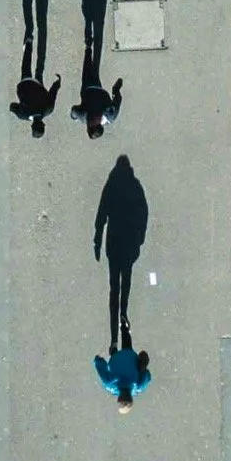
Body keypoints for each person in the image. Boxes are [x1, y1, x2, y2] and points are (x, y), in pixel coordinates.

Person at [94, 155, 149, 353]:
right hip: (129, 242)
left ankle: (114, 334)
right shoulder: (135, 186)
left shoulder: (112, 185)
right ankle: (123, 313)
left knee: (113, 285)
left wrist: (97, 240)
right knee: (126, 278)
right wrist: (140, 238)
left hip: (114, 241)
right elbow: (143, 213)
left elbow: (102, 213)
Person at [70, 46, 124, 137]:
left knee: (88, 64)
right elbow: (118, 100)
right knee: (91, 67)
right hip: (93, 90)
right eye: (90, 125)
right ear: (97, 124)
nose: (88, 123)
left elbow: (74, 110)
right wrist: (116, 90)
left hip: (91, 89)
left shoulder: (85, 116)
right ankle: (90, 47)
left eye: (87, 126)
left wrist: (74, 116)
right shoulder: (109, 116)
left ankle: (89, 48)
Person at [10, 43, 60, 137]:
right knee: (26, 67)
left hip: (38, 85)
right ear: (32, 126)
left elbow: (53, 93)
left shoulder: (48, 109)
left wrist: (57, 83)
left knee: (39, 71)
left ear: (43, 124)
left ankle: (40, 48)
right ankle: (28, 44)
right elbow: (12, 106)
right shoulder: (23, 115)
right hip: (25, 84)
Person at [95, 337, 151, 411]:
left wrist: (142, 367)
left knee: (126, 340)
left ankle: (124, 328)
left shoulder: (138, 386)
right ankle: (114, 347)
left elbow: (147, 375)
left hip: (130, 354)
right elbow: (100, 365)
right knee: (116, 354)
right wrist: (98, 359)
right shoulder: (110, 386)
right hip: (117, 357)